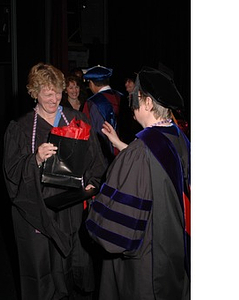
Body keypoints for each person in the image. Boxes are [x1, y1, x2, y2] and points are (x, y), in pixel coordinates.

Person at [3, 62, 107, 300]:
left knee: (71, 271)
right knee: (42, 273)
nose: (54, 99)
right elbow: (11, 174)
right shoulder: (21, 128)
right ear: (34, 93)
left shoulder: (76, 120)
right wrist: (35, 158)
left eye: (58, 92)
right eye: (47, 94)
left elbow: (95, 160)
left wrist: (92, 183)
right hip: (37, 211)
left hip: (70, 208)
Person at [86, 66, 190, 300]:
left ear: (149, 104)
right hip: (173, 247)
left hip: (146, 257)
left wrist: (93, 214)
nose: (132, 102)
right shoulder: (176, 136)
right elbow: (158, 166)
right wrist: (120, 144)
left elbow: (114, 233)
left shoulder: (140, 151)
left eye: (137, 98)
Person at [82, 65, 124, 165]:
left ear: (91, 83)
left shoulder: (91, 103)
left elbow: (85, 129)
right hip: (124, 150)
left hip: (102, 155)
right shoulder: (123, 98)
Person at [118, 73, 143, 144]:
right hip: (127, 137)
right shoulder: (124, 99)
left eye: (129, 82)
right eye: (126, 82)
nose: (126, 84)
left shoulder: (142, 99)